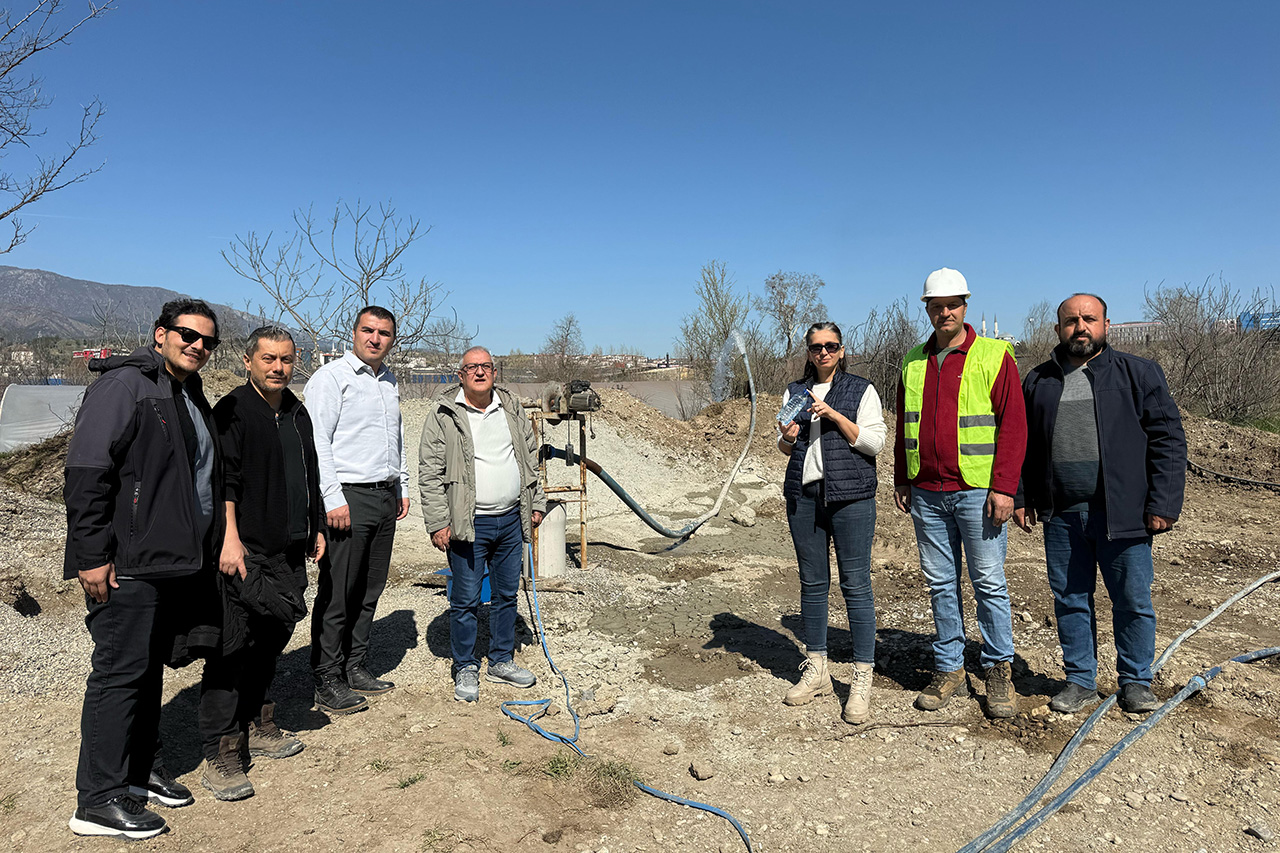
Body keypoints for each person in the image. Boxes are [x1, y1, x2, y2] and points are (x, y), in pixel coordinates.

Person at [64, 299, 223, 839]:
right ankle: (98, 799)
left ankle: (137, 774)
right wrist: (91, 555)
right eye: (187, 334)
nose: (197, 345)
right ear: (160, 334)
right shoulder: (125, 386)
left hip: (168, 562)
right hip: (127, 561)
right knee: (117, 674)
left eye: (207, 340)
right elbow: (88, 470)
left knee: (146, 671)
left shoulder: (182, 390)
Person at [1015, 293, 1186, 714]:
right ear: (1057, 330)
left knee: (1132, 600)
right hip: (1062, 514)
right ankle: (1080, 682)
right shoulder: (1038, 381)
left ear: (1106, 325)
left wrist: (1163, 502)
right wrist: (1021, 495)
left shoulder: (1137, 373)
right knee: (1071, 598)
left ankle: (1136, 682)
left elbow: (1168, 439)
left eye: (1089, 319)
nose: (1080, 328)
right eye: (1071, 321)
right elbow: (1020, 446)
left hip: (1123, 512)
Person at [199, 326, 326, 800]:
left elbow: (308, 474)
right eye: (269, 359)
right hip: (246, 550)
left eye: (286, 360)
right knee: (233, 647)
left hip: (289, 549)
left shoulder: (297, 412)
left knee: (272, 639)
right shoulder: (233, 411)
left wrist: (314, 526)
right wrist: (229, 540)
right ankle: (221, 749)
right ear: (249, 361)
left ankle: (258, 719)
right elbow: (223, 483)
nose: (278, 367)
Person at [893, 268, 1026, 719]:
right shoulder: (913, 360)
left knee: (989, 582)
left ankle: (997, 669)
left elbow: (1013, 426)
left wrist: (1005, 487)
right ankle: (949, 667)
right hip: (927, 493)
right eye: (936, 305)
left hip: (977, 492)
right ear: (927, 309)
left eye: (953, 304)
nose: (944, 311)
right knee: (940, 583)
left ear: (965, 305)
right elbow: (903, 424)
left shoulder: (993, 355)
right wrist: (901, 477)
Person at [419, 346, 547, 702]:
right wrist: (437, 521)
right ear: (460, 375)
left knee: (507, 594)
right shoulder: (444, 414)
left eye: (486, 367)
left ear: (494, 372)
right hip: (467, 523)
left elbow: (530, 456)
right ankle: (465, 665)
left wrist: (536, 504)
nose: (480, 372)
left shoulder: (510, 407)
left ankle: (502, 660)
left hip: (509, 520)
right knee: (466, 598)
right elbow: (429, 472)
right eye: (472, 367)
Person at [776, 322, 887, 724]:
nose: (823, 352)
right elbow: (786, 445)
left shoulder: (862, 389)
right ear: (807, 351)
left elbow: (874, 443)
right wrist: (788, 435)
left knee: (855, 584)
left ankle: (860, 677)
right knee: (812, 583)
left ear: (841, 350)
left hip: (852, 496)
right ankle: (818, 668)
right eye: (816, 347)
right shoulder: (794, 391)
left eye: (831, 346)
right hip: (804, 496)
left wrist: (834, 414)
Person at [303, 306, 410, 715]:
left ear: (392, 340)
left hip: (384, 496)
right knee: (339, 590)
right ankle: (326, 677)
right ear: (353, 333)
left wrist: (401, 484)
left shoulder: (389, 381)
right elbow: (318, 443)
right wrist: (332, 498)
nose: (375, 338)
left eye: (384, 333)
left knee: (370, 587)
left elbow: (394, 437)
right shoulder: (331, 379)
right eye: (368, 330)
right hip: (348, 497)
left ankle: (355, 664)